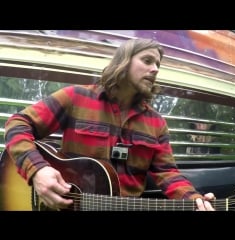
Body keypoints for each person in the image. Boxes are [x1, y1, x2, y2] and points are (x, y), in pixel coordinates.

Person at [4, 38, 215, 211]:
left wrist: (193, 198)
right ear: (123, 61)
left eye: (158, 64)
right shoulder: (75, 97)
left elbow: (168, 173)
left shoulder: (156, 122)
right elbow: (17, 124)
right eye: (147, 60)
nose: (155, 69)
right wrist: (38, 172)